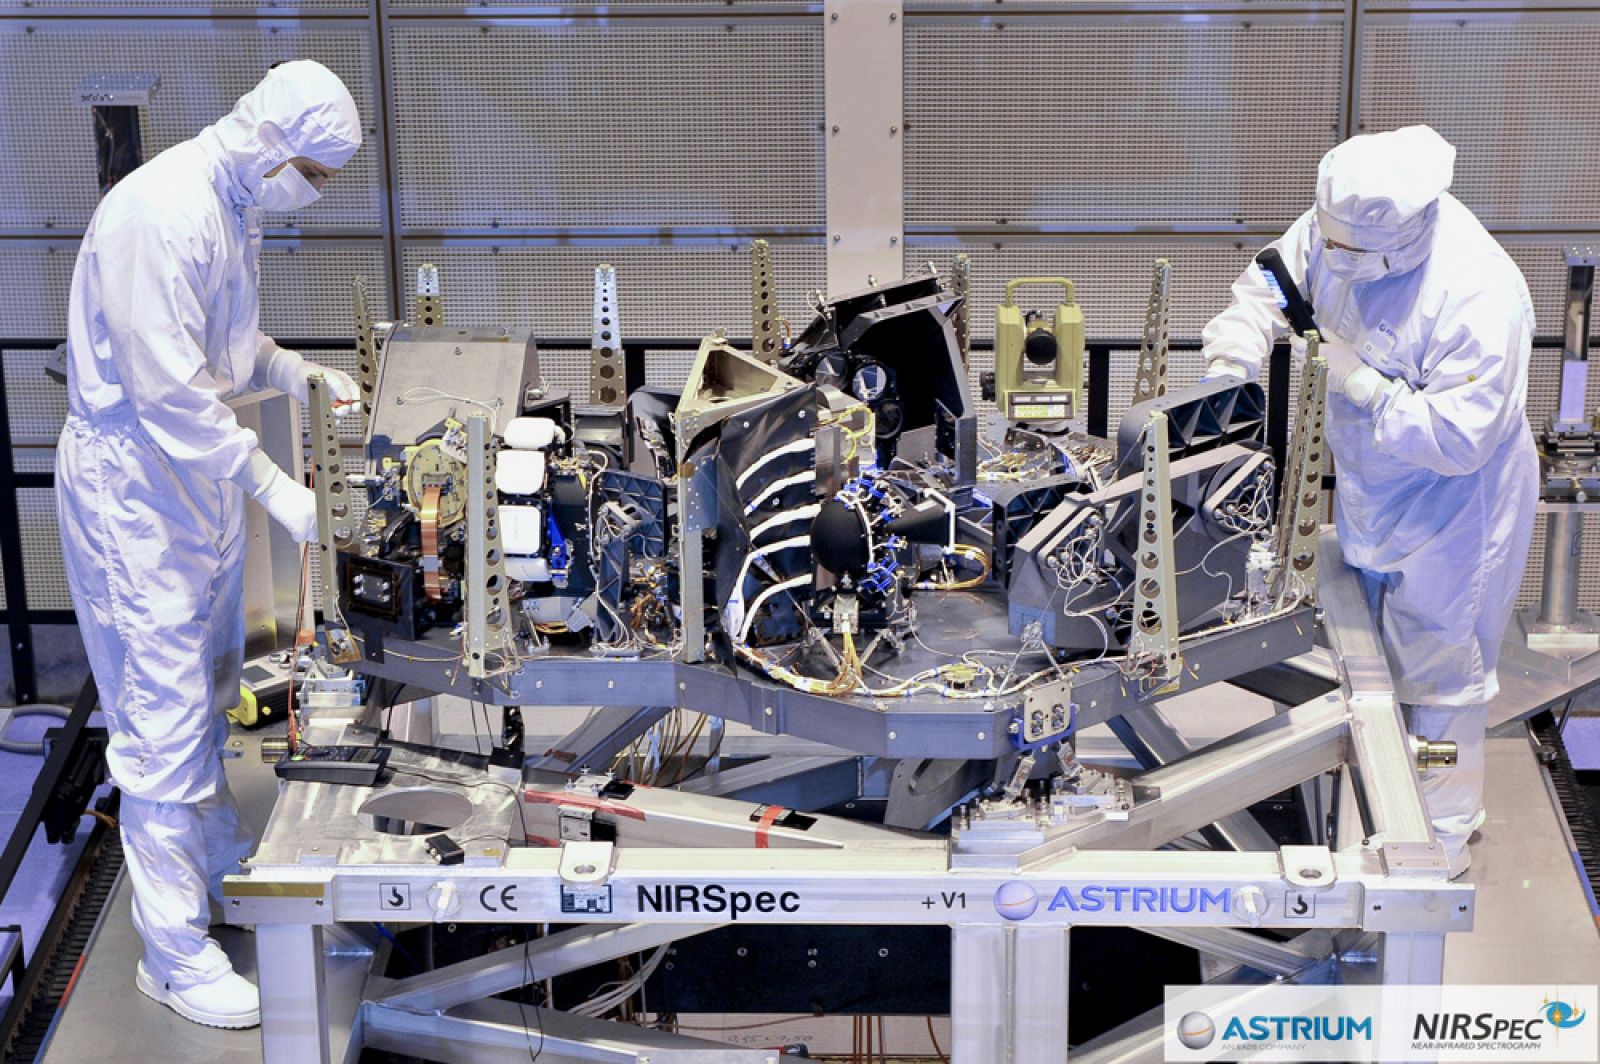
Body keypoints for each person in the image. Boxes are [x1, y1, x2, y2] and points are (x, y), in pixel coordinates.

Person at [54, 60, 364, 1028]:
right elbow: (169, 395)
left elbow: (228, 353)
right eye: (314, 172)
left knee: (214, 681)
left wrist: (297, 373)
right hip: (134, 489)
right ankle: (172, 951)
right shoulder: (162, 213)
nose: (314, 191)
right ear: (275, 143)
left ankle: (222, 863)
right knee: (159, 720)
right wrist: (281, 490)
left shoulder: (234, 205)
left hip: (192, 481)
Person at [1200, 124, 1538, 877]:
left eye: (1352, 251)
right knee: (1377, 660)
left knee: (1441, 677)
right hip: (1375, 488)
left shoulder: (1476, 291)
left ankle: (1442, 836)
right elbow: (1268, 289)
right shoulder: (1338, 223)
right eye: (1331, 242)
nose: (1335, 259)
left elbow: (1460, 439)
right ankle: (1385, 801)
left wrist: (1361, 382)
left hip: (1455, 509)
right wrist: (1230, 363)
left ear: (1409, 228)